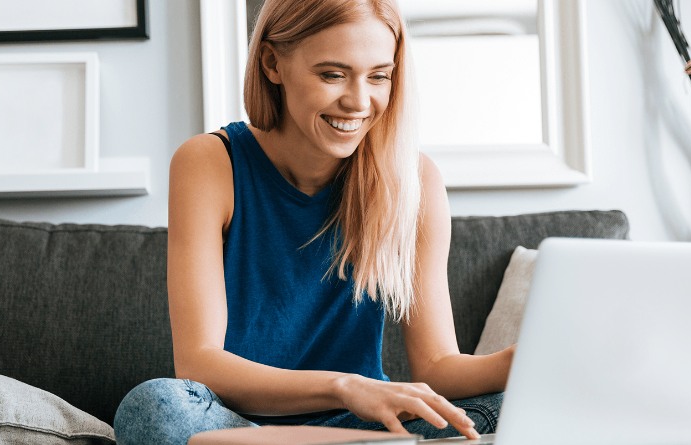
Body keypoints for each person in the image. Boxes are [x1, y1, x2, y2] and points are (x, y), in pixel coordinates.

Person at [114, 0, 515, 443]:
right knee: (156, 407)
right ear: (272, 63)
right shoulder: (210, 163)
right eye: (332, 74)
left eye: (379, 76)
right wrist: (346, 386)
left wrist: (521, 360)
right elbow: (200, 363)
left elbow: (438, 367)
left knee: (506, 411)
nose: (359, 102)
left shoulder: (415, 180)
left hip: (361, 430)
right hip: (237, 426)